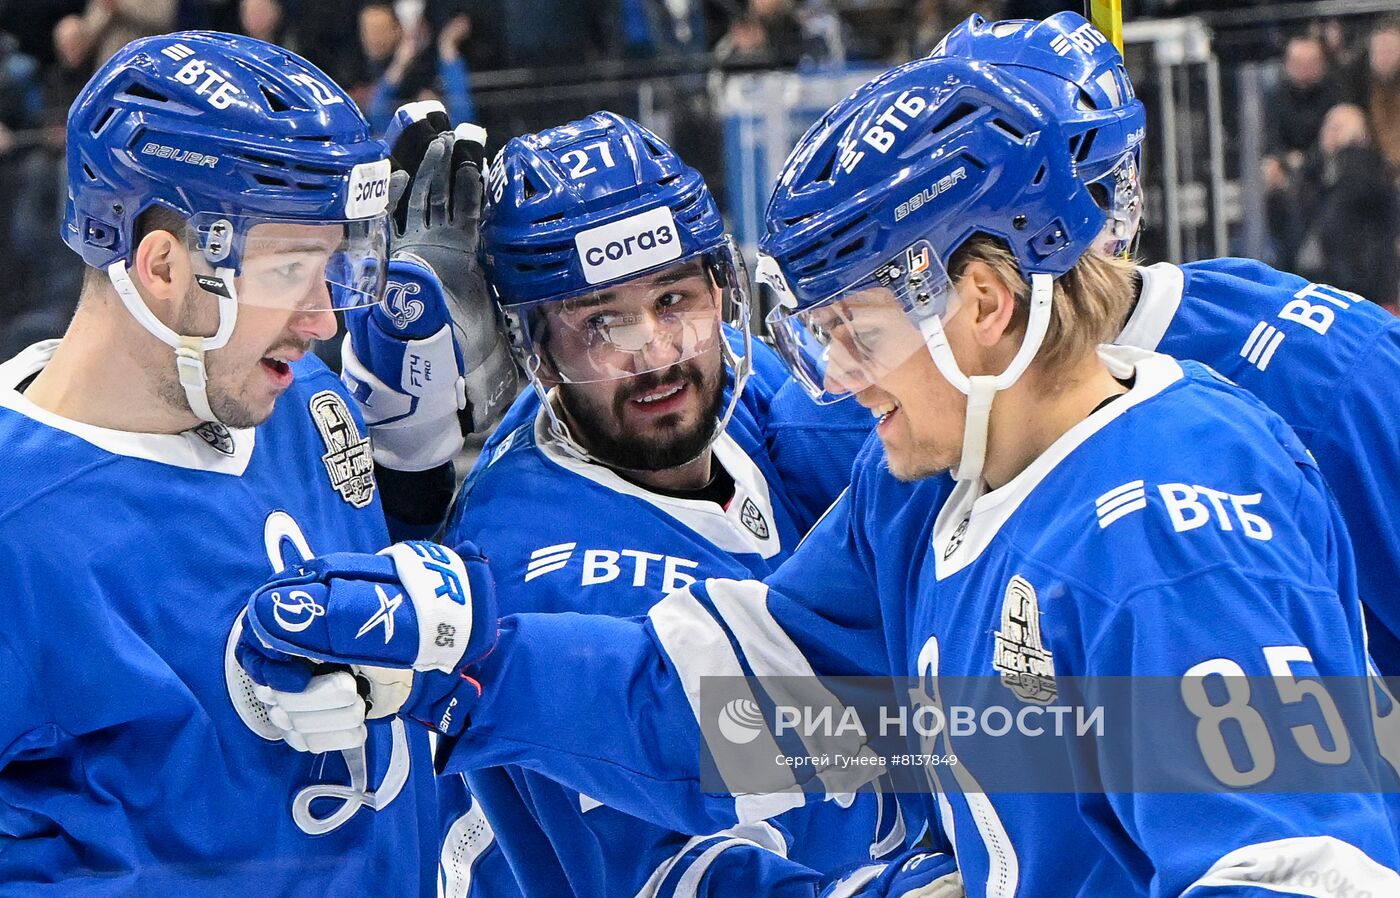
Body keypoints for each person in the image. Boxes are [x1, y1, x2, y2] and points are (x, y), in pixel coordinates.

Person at [237, 16, 1400, 897]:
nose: (830, 377)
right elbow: (736, 711)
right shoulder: (929, 489)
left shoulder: (1172, 538)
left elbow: (1296, 868)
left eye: (854, 332)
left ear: (983, 303)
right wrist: (470, 658)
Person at [0, 31, 504, 896]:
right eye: (292, 270)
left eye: (333, 268)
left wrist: (417, 484)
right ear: (163, 266)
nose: (322, 322)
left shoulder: (304, 399)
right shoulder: (19, 526)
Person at [434, 111, 901, 897]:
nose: (654, 350)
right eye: (601, 322)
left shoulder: (745, 391)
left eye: (674, 298)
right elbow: (671, 873)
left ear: (721, 292)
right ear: (535, 351)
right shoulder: (535, 576)